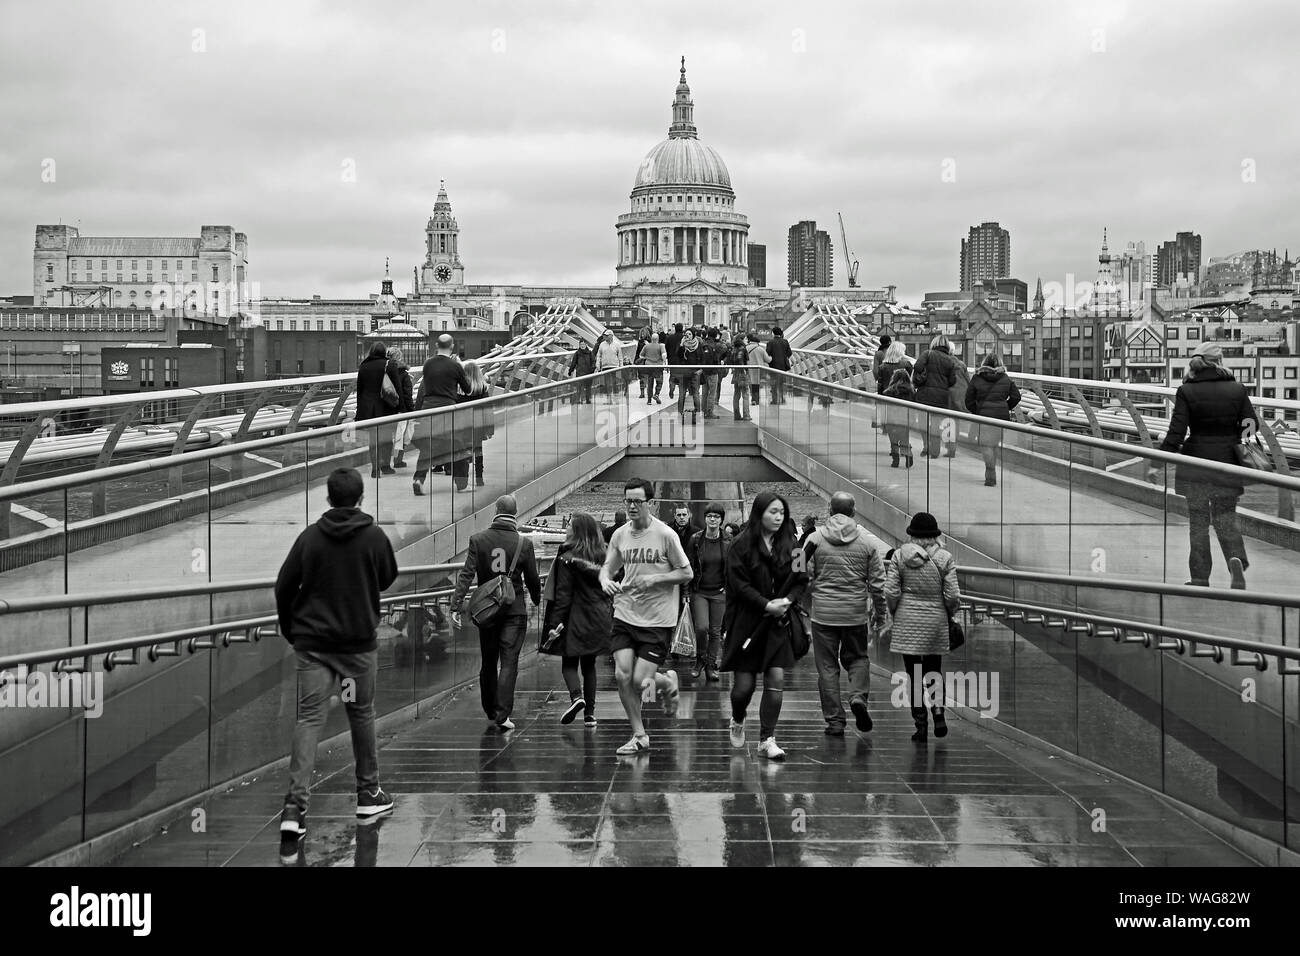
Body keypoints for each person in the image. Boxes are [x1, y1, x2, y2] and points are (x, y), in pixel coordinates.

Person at [274, 467, 398, 860]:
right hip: (358, 643)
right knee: (361, 713)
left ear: (328, 500)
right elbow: (387, 578)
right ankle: (368, 793)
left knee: (309, 718)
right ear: (360, 499)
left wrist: (292, 629)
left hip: (313, 642)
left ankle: (295, 807)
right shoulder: (374, 537)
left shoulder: (310, 538)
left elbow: (283, 584)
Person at [1148, 341, 1256, 589]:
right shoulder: (1238, 390)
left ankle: (1199, 577)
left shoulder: (1186, 391)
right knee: (1225, 517)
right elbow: (1250, 425)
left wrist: (1157, 463)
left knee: (1198, 523)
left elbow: (1176, 433)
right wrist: (1239, 438)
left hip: (1195, 465)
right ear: (1219, 363)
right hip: (1228, 465)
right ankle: (1236, 560)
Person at [600, 478, 692, 755]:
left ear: (650, 504)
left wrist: (655, 580)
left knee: (641, 681)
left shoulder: (666, 535)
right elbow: (607, 567)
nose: (631, 506)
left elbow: (686, 573)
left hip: (657, 619)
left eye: (637, 501)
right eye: (627, 500)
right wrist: (605, 580)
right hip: (625, 612)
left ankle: (666, 682)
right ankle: (639, 734)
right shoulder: (619, 535)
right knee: (621, 674)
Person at [719, 491, 806, 760]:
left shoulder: (794, 545)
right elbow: (738, 585)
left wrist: (787, 601)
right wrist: (765, 604)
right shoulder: (739, 545)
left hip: (777, 624)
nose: (778, 517)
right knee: (743, 688)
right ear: (760, 513)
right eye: (773, 512)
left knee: (776, 680)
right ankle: (737, 717)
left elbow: (802, 579)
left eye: (782, 512)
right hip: (746, 623)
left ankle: (767, 738)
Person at [450, 494, 543, 731]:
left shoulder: (478, 540)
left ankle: (490, 709)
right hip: (514, 609)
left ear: (495, 511)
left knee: (489, 660)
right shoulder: (524, 543)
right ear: (515, 513)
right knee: (509, 661)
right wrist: (536, 598)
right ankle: (503, 715)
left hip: (487, 610)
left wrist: (456, 605)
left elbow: (467, 574)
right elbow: (532, 578)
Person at [801, 492, 888, 736]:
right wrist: (880, 615)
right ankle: (858, 697)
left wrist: (804, 606)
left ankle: (835, 721)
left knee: (827, 668)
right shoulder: (868, 543)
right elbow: (878, 585)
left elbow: (797, 572)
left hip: (823, 615)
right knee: (858, 658)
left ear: (829, 510)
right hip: (855, 613)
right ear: (854, 511)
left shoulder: (813, 538)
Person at [884, 512, 961, 742]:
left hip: (907, 619)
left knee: (914, 675)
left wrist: (895, 610)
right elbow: (952, 594)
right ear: (936, 535)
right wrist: (948, 613)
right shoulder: (945, 558)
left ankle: (920, 725)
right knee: (933, 670)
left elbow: (890, 590)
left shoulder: (899, 556)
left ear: (912, 535)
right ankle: (938, 711)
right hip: (935, 620)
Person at [541, 512, 612, 728]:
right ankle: (590, 714)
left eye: (570, 525)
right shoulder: (604, 554)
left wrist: (554, 624)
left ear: (578, 530)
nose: (567, 528)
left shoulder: (567, 557)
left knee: (569, 663)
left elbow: (563, 593)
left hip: (575, 617)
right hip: (599, 616)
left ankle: (576, 697)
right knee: (589, 665)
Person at [412, 334, 471, 494]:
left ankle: (418, 479)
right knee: (457, 445)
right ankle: (462, 484)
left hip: (428, 408)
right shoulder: (455, 366)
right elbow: (468, 389)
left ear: (437, 345)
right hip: (447, 409)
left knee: (428, 447)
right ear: (452, 347)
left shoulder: (428, 364)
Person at [685, 501, 729, 682]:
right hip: (699, 591)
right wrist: (686, 593)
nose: (713, 519)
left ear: (721, 520)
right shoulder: (696, 539)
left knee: (715, 631)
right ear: (705, 519)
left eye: (716, 516)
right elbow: (688, 566)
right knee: (701, 628)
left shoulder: (728, 540)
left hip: (720, 592)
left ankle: (711, 665)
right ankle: (700, 659)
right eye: (709, 516)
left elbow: (734, 566)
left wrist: (729, 587)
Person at [964, 352, 1022, 487]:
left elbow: (968, 400)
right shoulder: (1005, 378)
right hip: (1000, 418)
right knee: (994, 445)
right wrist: (1005, 407)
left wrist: (977, 410)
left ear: (984, 363)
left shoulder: (977, 378)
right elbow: (1016, 396)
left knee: (986, 445)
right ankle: (991, 471)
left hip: (983, 417)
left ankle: (990, 474)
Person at [354, 341, 406, 479]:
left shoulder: (364, 366)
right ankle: (385, 466)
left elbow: (360, 390)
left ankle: (375, 468)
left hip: (369, 408)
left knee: (373, 439)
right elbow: (397, 388)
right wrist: (402, 409)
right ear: (384, 352)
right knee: (387, 438)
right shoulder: (389, 364)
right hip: (386, 407)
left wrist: (359, 413)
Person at [911, 334, 959, 459]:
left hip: (924, 395)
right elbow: (953, 380)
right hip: (941, 397)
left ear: (934, 343)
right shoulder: (950, 360)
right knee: (937, 424)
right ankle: (935, 451)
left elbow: (917, 367)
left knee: (923, 423)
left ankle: (926, 447)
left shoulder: (928, 354)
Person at [456, 359, 492, 487]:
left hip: (462, 424)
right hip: (478, 424)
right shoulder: (482, 388)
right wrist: (489, 428)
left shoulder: (459, 390)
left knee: (463, 450)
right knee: (478, 450)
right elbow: (487, 409)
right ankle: (479, 477)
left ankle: (463, 478)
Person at [386, 347, 415, 470]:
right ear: (399, 358)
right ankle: (398, 461)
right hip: (401, 409)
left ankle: (385, 463)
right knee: (401, 435)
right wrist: (411, 410)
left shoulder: (383, 372)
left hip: (386, 409)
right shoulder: (404, 374)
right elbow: (407, 395)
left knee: (386, 436)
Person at [882, 367, 916, 468]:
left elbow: (884, 407)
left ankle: (895, 459)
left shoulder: (888, 392)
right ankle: (908, 453)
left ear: (893, 379)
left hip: (891, 419)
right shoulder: (911, 392)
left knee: (893, 440)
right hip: (906, 419)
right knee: (904, 438)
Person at [675, 328, 703, 422]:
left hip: (694, 372)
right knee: (682, 394)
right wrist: (681, 345)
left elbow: (701, 357)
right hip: (684, 372)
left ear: (693, 335)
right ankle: (680, 414)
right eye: (686, 334)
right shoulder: (682, 345)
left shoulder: (698, 345)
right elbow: (678, 355)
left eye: (689, 334)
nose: (687, 336)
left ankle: (698, 413)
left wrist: (700, 369)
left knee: (695, 393)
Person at [699, 328, 726, 419]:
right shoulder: (717, 345)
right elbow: (725, 348)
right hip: (713, 371)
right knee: (712, 393)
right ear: (716, 335)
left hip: (704, 371)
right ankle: (710, 412)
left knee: (705, 392)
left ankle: (703, 411)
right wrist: (720, 340)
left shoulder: (703, 343)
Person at [596, 330, 624, 403]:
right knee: (607, 384)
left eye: (607, 335)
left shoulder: (617, 345)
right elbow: (598, 355)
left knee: (615, 383)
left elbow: (620, 357)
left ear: (611, 336)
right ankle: (609, 399)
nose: (605, 337)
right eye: (605, 335)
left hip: (615, 366)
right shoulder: (602, 344)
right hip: (605, 367)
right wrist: (598, 365)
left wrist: (621, 367)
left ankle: (616, 398)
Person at [766, 326, 792, 404]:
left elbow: (768, 353)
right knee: (781, 383)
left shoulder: (770, 342)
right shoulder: (785, 341)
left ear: (773, 333)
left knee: (773, 383)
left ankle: (774, 399)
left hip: (773, 366)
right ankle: (782, 399)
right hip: (783, 366)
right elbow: (789, 353)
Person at [746, 331, 770, 410]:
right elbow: (768, 360)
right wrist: (772, 357)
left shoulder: (746, 348)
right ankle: (756, 399)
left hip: (749, 369)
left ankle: (753, 399)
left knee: (751, 384)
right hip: (758, 369)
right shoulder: (760, 349)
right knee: (757, 384)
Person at [640, 331, 666, 404]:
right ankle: (656, 394)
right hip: (658, 366)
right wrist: (663, 361)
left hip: (648, 366)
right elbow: (664, 355)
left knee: (650, 383)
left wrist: (648, 357)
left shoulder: (646, 346)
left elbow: (641, 356)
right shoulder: (661, 346)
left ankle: (649, 400)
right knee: (659, 382)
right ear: (658, 339)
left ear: (651, 339)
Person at [729, 333, 750, 421]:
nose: (746, 340)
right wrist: (747, 371)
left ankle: (736, 415)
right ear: (742, 340)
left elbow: (730, 361)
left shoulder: (733, 349)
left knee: (736, 394)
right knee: (745, 394)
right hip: (743, 373)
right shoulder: (743, 349)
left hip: (735, 373)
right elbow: (746, 362)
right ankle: (746, 415)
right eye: (745, 339)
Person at [569, 339, 595, 404]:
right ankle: (579, 400)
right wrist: (570, 370)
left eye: (583, 344)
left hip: (588, 373)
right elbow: (573, 363)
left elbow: (593, 362)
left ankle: (587, 399)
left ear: (586, 345)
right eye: (581, 344)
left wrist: (592, 369)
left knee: (588, 387)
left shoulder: (590, 353)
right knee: (579, 387)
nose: (582, 346)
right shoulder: (577, 353)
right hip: (580, 373)